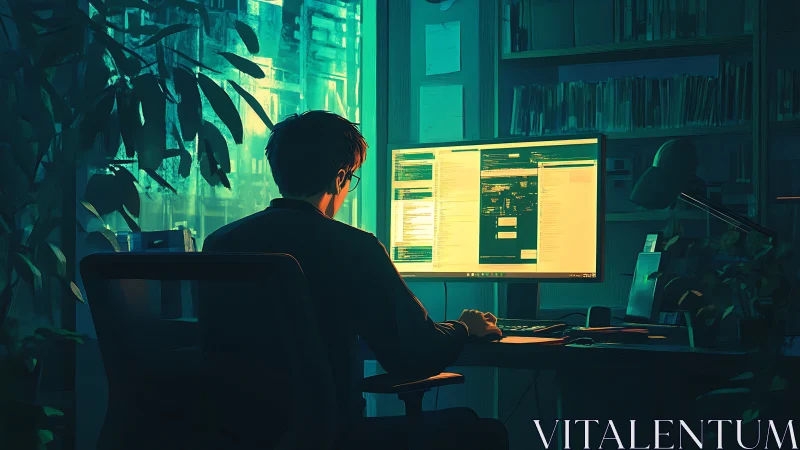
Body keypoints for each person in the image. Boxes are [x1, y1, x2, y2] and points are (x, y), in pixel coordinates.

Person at [203, 110, 507, 449]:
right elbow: (415, 353)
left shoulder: (220, 243)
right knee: (483, 430)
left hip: (235, 435)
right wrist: (464, 327)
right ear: (340, 177)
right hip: (330, 435)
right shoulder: (353, 246)